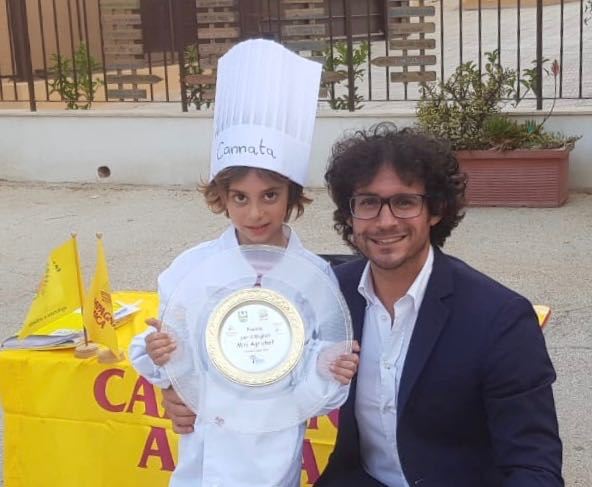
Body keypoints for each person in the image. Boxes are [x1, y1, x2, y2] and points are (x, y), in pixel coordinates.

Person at [129, 39, 359, 487]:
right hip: (203, 454)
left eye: (270, 195)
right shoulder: (190, 271)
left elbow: (315, 374)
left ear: (292, 194)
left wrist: (328, 368)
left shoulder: (314, 279)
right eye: (240, 198)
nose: (255, 213)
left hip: (272, 453)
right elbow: (175, 354)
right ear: (221, 196)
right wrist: (163, 359)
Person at [313, 122, 563, 486]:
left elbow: (533, 465)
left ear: (436, 210)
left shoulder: (500, 318)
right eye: (368, 202)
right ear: (349, 215)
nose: (385, 221)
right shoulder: (329, 295)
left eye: (404, 202)